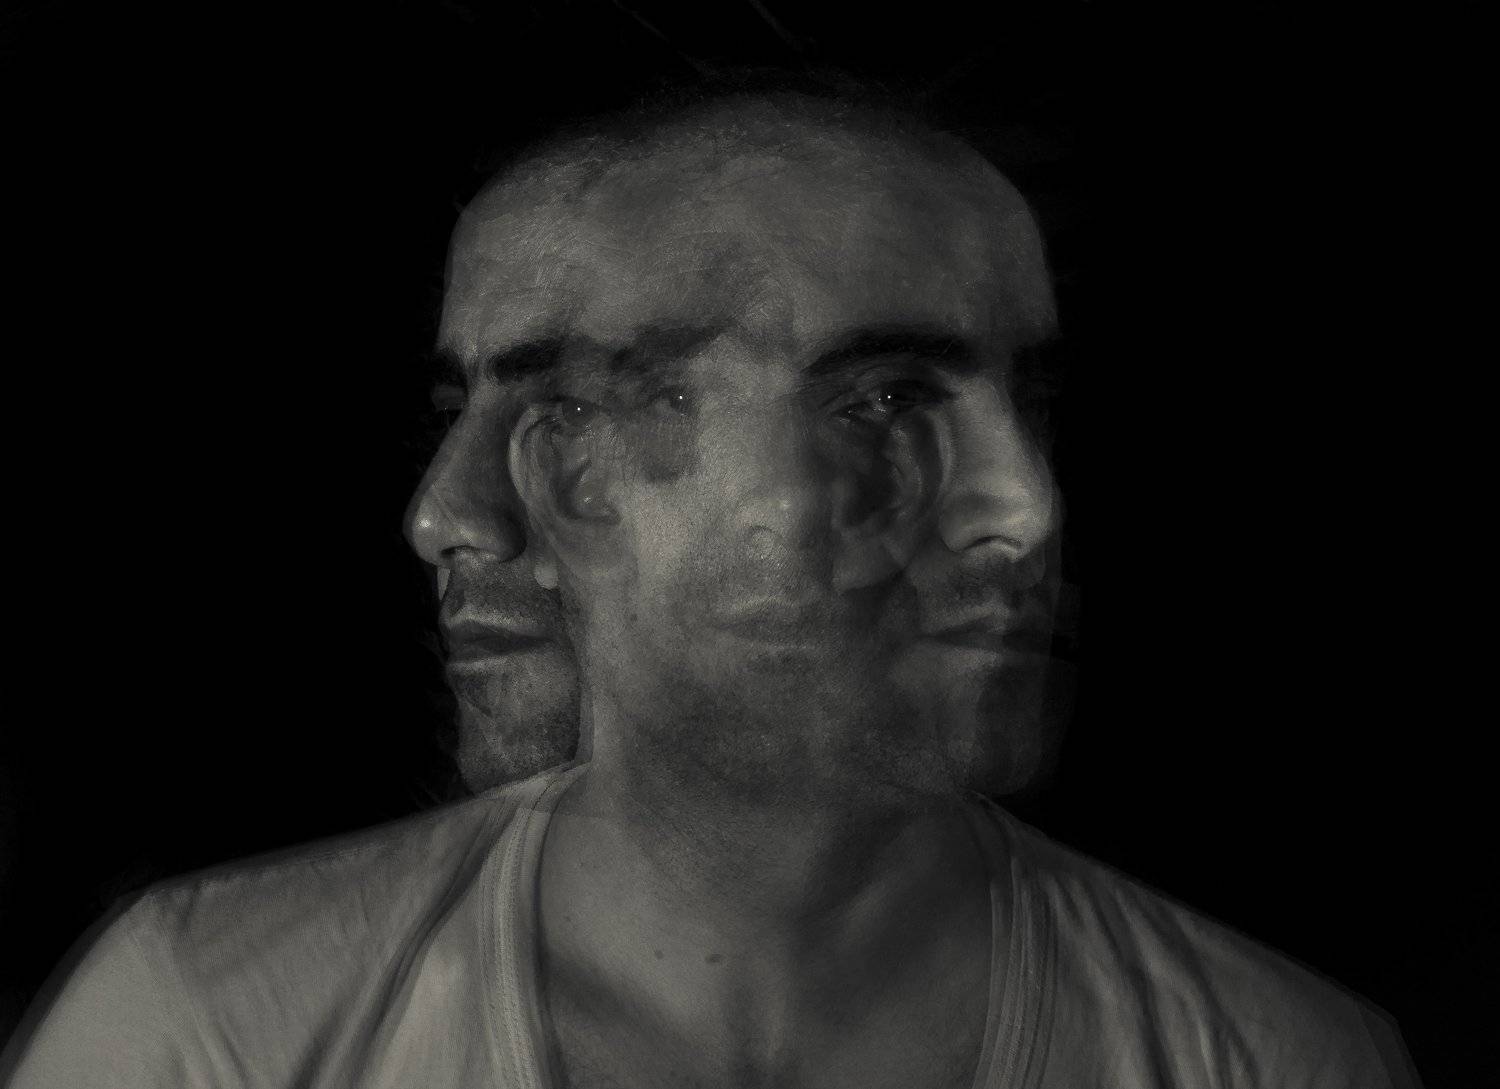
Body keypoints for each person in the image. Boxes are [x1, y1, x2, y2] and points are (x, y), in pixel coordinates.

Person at [2, 86, 1417, 1088]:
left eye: (1019, 398)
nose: (1026, 507)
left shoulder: (1278, 1060)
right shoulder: (204, 1032)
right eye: (881, 397)